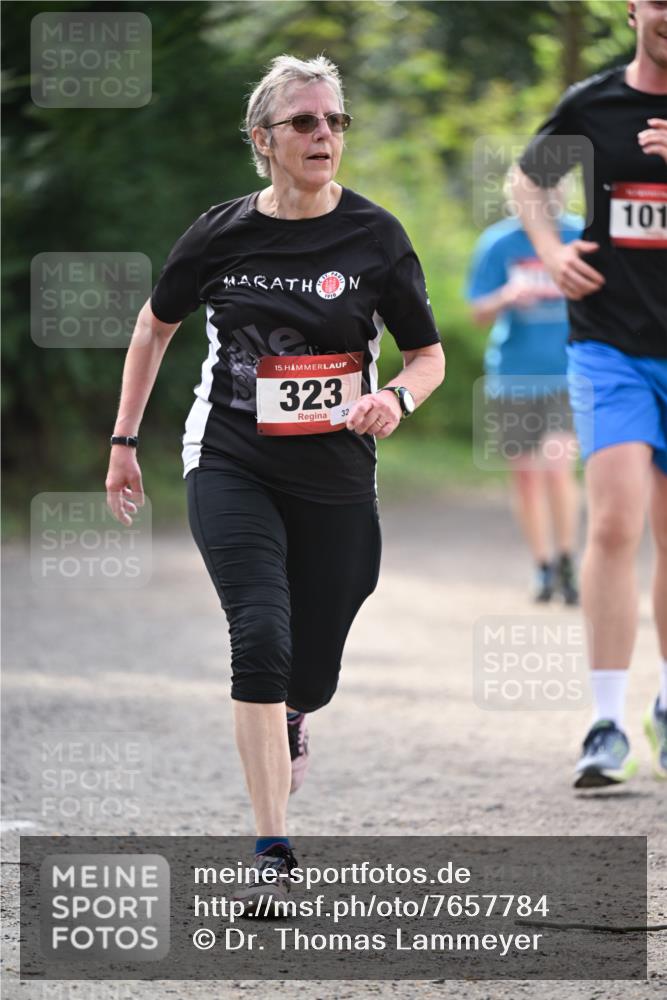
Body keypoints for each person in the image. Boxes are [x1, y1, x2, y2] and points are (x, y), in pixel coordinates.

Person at [105, 55, 444, 905]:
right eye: (304, 122)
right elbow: (154, 329)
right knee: (258, 634)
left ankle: (295, 711)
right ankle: (271, 851)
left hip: (335, 476)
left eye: (334, 121)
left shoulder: (376, 237)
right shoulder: (220, 233)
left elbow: (427, 355)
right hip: (229, 457)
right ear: (264, 139)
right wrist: (122, 440)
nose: (323, 134)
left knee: (312, 667)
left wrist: (396, 397)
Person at [513, 0, 667, 787]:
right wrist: (548, 248)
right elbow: (526, 179)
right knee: (613, 520)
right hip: (608, 342)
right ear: (635, 8)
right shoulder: (595, 103)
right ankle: (606, 720)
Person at [467, 171, 582, 604]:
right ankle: (543, 565)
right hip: (513, 375)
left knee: (557, 466)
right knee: (527, 477)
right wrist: (507, 296)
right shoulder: (499, 243)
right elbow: (477, 311)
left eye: (553, 191)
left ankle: (569, 560)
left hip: (567, 374)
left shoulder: (580, 236)